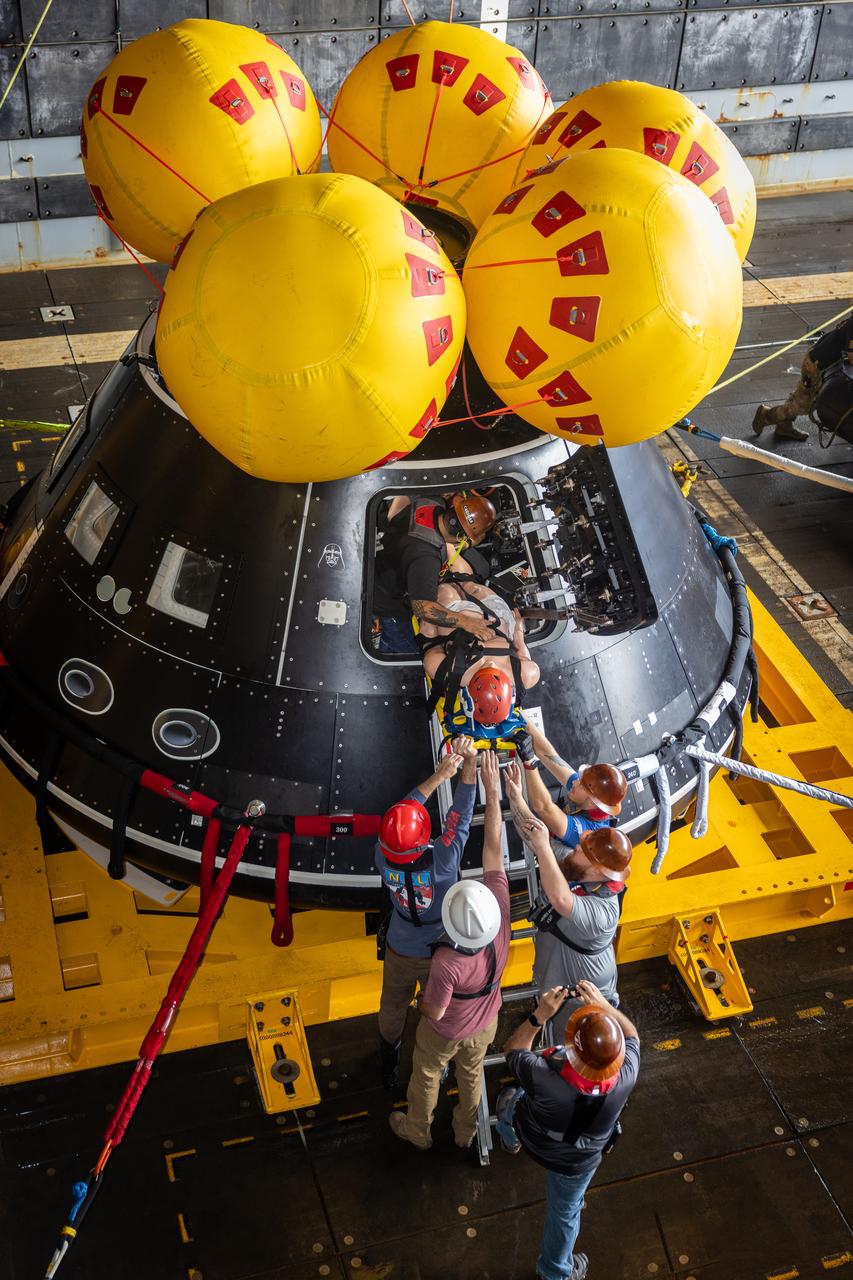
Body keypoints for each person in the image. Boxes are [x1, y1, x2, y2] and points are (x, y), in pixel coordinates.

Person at [389, 749, 511, 1151]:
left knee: (425, 1072)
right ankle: (466, 1133)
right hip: (484, 1023)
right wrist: (471, 776)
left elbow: (434, 1011)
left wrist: (440, 775)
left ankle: (417, 1129)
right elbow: (460, 827)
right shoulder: (498, 930)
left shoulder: (381, 855)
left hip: (406, 955)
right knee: (471, 1076)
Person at [497, 979, 640, 1280]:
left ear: (573, 1052)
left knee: (511, 1104)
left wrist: (541, 1015)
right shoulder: (627, 1074)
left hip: (532, 1134)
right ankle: (555, 1272)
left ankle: (509, 1141)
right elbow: (633, 1035)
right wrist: (605, 1008)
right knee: (565, 1213)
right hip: (579, 1160)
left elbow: (513, 1049)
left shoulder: (544, 1078)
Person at [376, 736, 479, 1090]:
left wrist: (437, 776)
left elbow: (400, 813)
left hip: (399, 945)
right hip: (438, 952)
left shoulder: (382, 853)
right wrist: (466, 766)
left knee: (391, 1007)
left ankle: (388, 1061)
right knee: (437, 1011)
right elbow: (460, 817)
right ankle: (438, 1065)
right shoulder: (443, 860)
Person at [504, 761, 632, 1035]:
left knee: (575, 1053)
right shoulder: (578, 865)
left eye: (582, 850)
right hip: (555, 986)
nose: (575, 849)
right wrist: (515, 795)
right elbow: (534, 835)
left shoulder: (603, 915)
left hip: (582, 1008)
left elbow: (561, 900)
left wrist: (542, 846)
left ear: (597, 870)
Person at [372, 490, 498, 654]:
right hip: (384, 601)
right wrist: (468, 622)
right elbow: (422, 607)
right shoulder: (426, 558)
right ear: (461, 536)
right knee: (407, 652)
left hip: (380, 565)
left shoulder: (431, 503)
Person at [513, 721, 627, 849]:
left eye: (581, 785)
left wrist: (529, 762)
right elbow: (548, 754)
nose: (575, 781)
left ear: (592, 803)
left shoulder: (588, 833)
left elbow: (543, 808)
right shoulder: (588, 791)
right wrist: (519, 714)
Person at [752, 313, 853, 442]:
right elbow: (852, 356)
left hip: (825, 363)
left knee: (801, 396)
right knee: (804, 405)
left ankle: (784, 427)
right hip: (816, 365)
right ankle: (766, 415)